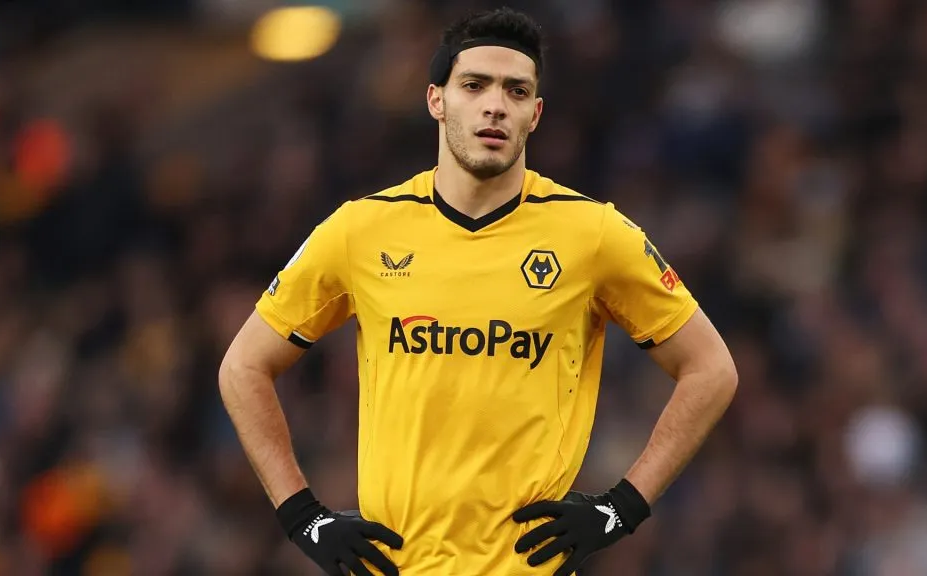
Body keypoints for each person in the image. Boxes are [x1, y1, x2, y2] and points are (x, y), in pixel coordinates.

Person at [219, 7, 737, 576]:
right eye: (474, 85)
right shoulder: (360, 231)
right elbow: (243, 368)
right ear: (436, 100)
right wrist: (303, 517)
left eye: (517, 91)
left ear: (535, 114)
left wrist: (621, 509)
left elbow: (711, 370)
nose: (496, 104)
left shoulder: (593, 236)